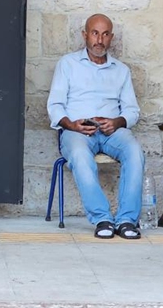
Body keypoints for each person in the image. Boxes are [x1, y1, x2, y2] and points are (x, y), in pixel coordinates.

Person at [47, 14, 145, 239]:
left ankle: (127, 220)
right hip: (77, 132)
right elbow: (55, 105)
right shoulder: (68, 64)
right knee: (80, 155)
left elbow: (132, 110)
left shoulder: (121, 70)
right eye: (94, 33)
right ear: (85, 35)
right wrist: (71, 124)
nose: (99, 40)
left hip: (111, 132)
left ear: (111, 37)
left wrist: (117, 122)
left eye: (105, 34)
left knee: (134, 151)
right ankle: (102, 218)